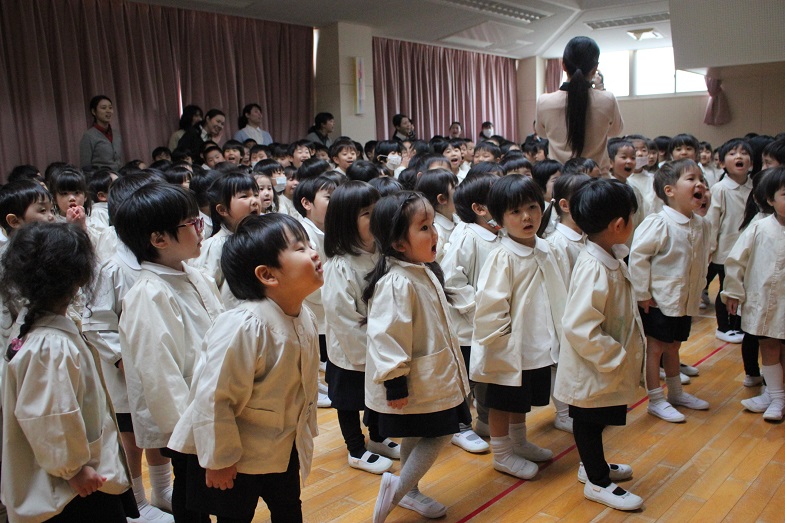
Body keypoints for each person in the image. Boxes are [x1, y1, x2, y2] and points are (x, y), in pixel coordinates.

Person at [168, 213, 323, 522]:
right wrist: (219, 459)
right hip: (236, 456)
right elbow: (214, 398)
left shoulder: (304, 315)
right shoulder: (244, 326)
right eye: (300, 248)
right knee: (235, 515)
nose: (314, 252)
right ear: (267, 274)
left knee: (289, 509)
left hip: (281, 445)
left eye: (309, 244)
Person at [1, 222, 136, 522]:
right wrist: (73, 469)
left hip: (78, 476)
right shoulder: (50, 345)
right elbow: (51, 414)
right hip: (73, 488)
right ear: (78, 279)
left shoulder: (36, 327)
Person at [116, 184, 224, 523]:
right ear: (159, 239)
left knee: (208, 491)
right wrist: (189, 433)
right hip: (186, 421)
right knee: (192, 493)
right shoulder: (148, 295)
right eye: (192, 222)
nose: (201, 227)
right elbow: (161, 378)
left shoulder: (195, 275)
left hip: (210, 408)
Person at [365, 191, 470, 523]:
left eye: (433, 224)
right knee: (440, 432)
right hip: (413, 380)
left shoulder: (422, 269)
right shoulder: (397, 282)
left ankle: (408, 491)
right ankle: (397, 491)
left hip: (432, 375)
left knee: (417, 432)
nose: (434, 233)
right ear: (398, 243)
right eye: (424, 228)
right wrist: (395, 382)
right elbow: (387, 336)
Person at [82, 174, 175, 523]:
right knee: (132, 433)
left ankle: (162, 489)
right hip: (125, 370)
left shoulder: (162, 260)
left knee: (158, 425)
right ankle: (136, 501)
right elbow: (96, 322)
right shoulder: (113, 268)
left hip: (156, 364)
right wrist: (120, 358)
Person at [554, 178, 645, 511]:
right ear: (619, 225)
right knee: (589, 421)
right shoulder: (595, 267)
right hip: (594, 364)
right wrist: (614, 355)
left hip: (604, 364)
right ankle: (597, 481)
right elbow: (579, 325)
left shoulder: (610, 257)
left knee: (599, 415)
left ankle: (592, 464)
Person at [471, 175, 566, 480]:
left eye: (532, 207)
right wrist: (500, 341)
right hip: (508, 345)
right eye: (515, 211)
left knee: (521, 398)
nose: (527, 217)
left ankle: (519, 441)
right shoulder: (503, 256)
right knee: (503, 400)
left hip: (537, 341)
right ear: (499, 220)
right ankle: (501, 453)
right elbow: (490, 303)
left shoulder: (546, 248)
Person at [321, 182, 400, 475]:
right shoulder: (339, 266)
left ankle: (377, 437)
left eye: (377, 210)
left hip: (379, 344)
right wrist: (366, 351)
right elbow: (343, 318)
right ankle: (355, 448)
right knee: (349, 402)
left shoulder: (383, 253)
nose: (376, 216)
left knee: (376, 397)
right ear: (346, 222)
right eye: (367, 213)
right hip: (352, 352)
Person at [629, 160, 712, 423]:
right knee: (655, 349)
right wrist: (642, 293)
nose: (699, 184)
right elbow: (638, 257)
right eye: (691, 179)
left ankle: (676, 393)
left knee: (674, 346)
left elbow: (701, 260)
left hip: (683, 301)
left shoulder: (701, 224)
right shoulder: (658, 223)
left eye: (701, 179)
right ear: (670, 190)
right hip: (658, 300)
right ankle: (656, 400)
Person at [724, 167, 785, 419]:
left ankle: (777, 395)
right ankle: (776, 398)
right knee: (768, 347)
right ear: (770, 200)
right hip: (764, 302)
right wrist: (732, 291)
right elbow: (736, 260)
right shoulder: (759, 227)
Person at [535, 36, 623, 175]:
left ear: (563, 65)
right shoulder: (607, 99)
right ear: (595, 69)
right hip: (597, 181)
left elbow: (542, 133)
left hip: (562, 180)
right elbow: (615, 131)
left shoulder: (544, 101)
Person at [294, 175, 339, 408]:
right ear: (307, 203)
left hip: (325, 297)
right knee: (308, 349)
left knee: (318, 348)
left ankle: (317, 384)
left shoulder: (329, 228)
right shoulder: (302, 231)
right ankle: (310, 388)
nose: (336, 202)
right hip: (311, 298)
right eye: (329, 198)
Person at [706, 138, 753, 344]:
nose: (739, 157)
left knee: (743, 288)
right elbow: (712, 222)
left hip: (748, 250)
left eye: (744, 153)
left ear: (751, 162)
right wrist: (710, 248)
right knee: (726, 288)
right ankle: (723, 327)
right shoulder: (720, 189)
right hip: (726, 251)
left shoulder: (755, 187)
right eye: (732, 154)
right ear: (722, 162)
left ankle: (737, 325)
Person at [191, 171, 261, 308]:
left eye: (256, 194)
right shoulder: (215, 246)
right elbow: (204, 292)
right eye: (244, 196)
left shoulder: (261, 237)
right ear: (222, 209)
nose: (254, 201)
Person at [415, 169, 458, 263]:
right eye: (455, 188)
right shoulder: (436, 230)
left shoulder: (457, 218)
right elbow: (432, 261)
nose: (461, 192)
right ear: (442, 199)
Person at [80, 95, 124, 170]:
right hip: (100, 176)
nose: (108, 111)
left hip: (118, 175)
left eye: (110, 108)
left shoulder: (116, 134)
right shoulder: (88, 136)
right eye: (104, 108)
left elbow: (119, 160)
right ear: (94, 111)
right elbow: (86, 167)